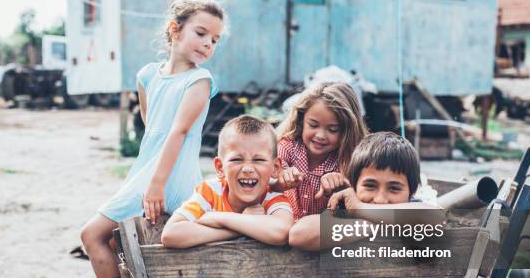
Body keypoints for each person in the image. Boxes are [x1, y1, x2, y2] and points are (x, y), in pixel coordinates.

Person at [79, 0, 225, 278]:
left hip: (171, 175)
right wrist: (146, 178)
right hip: (150, 170)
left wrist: (156, 184)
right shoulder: (147, 75)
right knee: (121, 243)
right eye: (201, 33)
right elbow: (151, 130)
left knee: (92, 234)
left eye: (215, 39)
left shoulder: (200, 80)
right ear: (175, 29)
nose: (208, 44)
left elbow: (177, 133)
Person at [161, 115, 294, 248]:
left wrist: (218, 218)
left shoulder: (273, 198)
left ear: (275, 168)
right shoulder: (210, 191)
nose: (247, 169)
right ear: (220, 167)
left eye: (258, 160)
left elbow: (281, 233)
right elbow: (170, 235)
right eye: (236, 159)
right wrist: (240, 225)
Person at [311, 132, 445, 250]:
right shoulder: (343, 209)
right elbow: (299, 234)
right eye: (370, 186)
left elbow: (434, 217)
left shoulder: (413, 209)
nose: (380, 199)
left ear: (411, 192)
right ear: (353, 186)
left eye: (394, 188)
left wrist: (359, 208)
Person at [273, 81, 367, 250]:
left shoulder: (350, 160)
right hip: (283, 233)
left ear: (346, 131)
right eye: (313, 125)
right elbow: (268, 181)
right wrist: (280, 181)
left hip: (324, 241)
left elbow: (362, 199)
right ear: (301, 120)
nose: (321, 135)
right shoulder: (286, 147)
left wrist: (343, 188)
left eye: (332, 130)